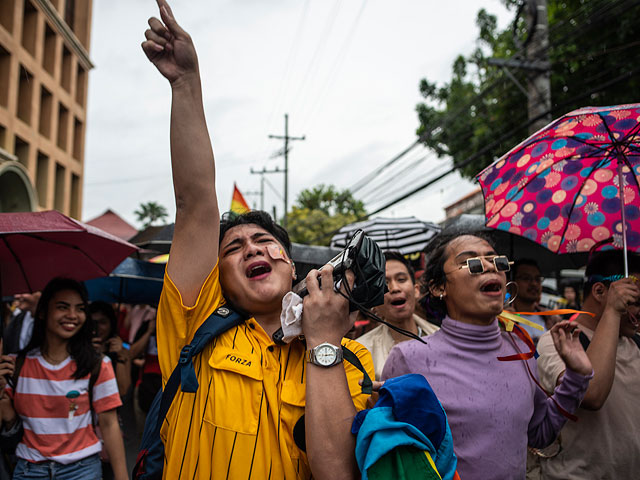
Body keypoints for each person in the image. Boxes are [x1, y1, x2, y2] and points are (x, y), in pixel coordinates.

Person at [141, 2, 373, 478]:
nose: (251, 249)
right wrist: (186, 84)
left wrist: (324, 341)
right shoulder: (195, 327)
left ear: (292, 266)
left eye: (265, 241)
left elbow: (338, 472)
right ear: (216, 278)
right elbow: (195, 203)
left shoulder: (352, 356)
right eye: (233, 247)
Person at [381, 233, 593, 480]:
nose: (491, 267)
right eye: (472, 263)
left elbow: (539, 434)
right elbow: (393, 459)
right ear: (439, 287)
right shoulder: (408, 359)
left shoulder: (521, 351)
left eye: (498, 262)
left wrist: (577, 377)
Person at [0, 278, 127, 480]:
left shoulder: (98, 365)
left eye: (80, 308)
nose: (72, 316)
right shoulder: (15, 366)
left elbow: (109, 424)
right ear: (42, 312)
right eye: (62, 307)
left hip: (82, 471)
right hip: (29, 472)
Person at [535, 251, 640, 479]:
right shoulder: (559, 341)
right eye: (634, 302)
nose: (638, 311)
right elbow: (592, 395)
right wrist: (612, 310)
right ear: (600, 292)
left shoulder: (635, 344)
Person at [357, 251, 438, 379]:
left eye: (401, 279)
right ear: (374, 300)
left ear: (416, 290)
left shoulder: (441, 336)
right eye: (384, 283)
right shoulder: (362, 352)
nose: (394, 288)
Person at [89, 301, 131, 397]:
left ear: (111, 324)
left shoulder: (122, 352)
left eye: (103, 322)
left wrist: (119, 355)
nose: (98, 328)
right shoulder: (79, 349)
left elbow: (123, 390)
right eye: (93, 323)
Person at [511, 259, 559, 343]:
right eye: (526, 278)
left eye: (538, 279)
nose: (534, 284)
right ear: (512, 283)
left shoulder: (552, 319)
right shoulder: (503, 320)